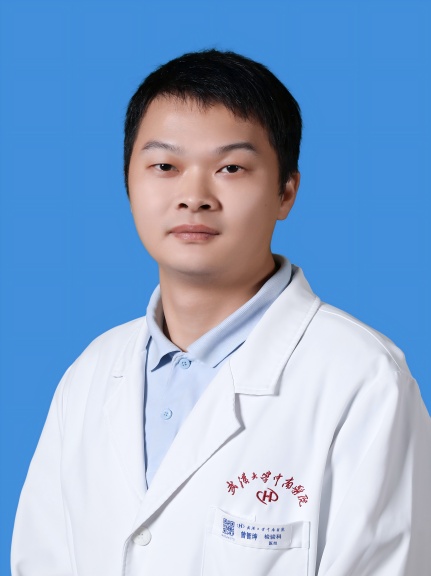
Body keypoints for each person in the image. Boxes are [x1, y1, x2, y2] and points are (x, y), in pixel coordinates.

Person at [11, 49, 431, 576]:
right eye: (165, 166)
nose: (194, 197)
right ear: (128, 183)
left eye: (231, 168)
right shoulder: (92, 372)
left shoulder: (363, 380)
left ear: (286, 192)